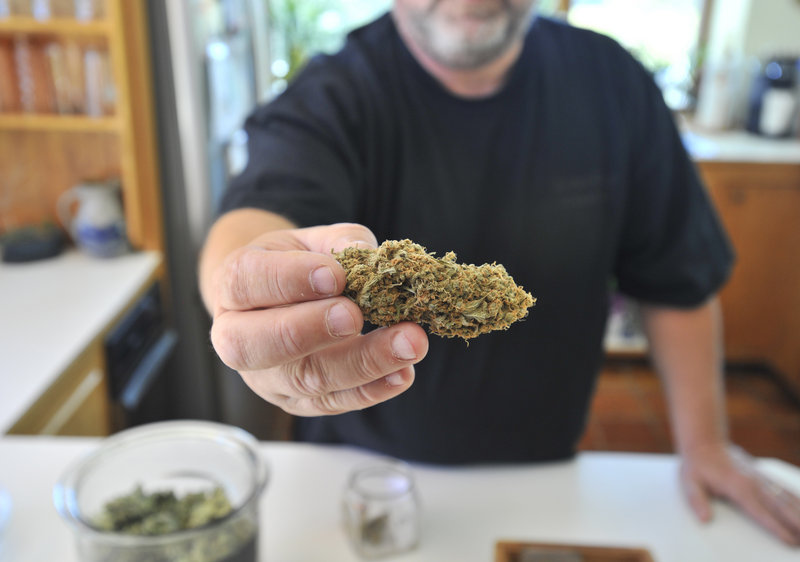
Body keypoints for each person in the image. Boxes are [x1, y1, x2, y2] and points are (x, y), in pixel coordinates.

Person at [199, 0, 800, 546]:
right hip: (364, 474)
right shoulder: (333, 91)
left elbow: (678, 281)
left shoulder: (613, 83)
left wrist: (705, 443)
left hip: (546, 472)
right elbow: (256, 218)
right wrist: (246, 288)